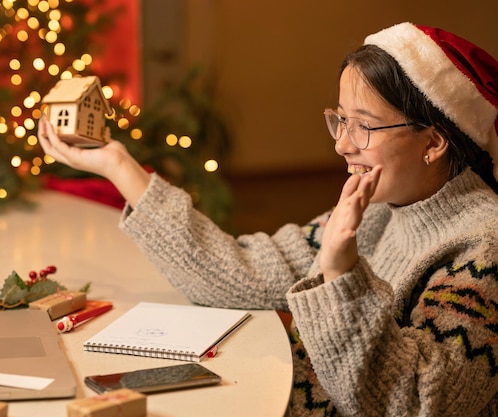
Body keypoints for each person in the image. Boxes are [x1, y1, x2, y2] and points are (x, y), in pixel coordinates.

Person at [39, 22, 498, 416]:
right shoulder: (381, 211)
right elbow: (238, 273)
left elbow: (416, 402)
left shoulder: (483, 247)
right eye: (340, 120)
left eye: (363, 125)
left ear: (434, 142)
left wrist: (342, 273)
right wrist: (119, 164)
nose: (341, 144)